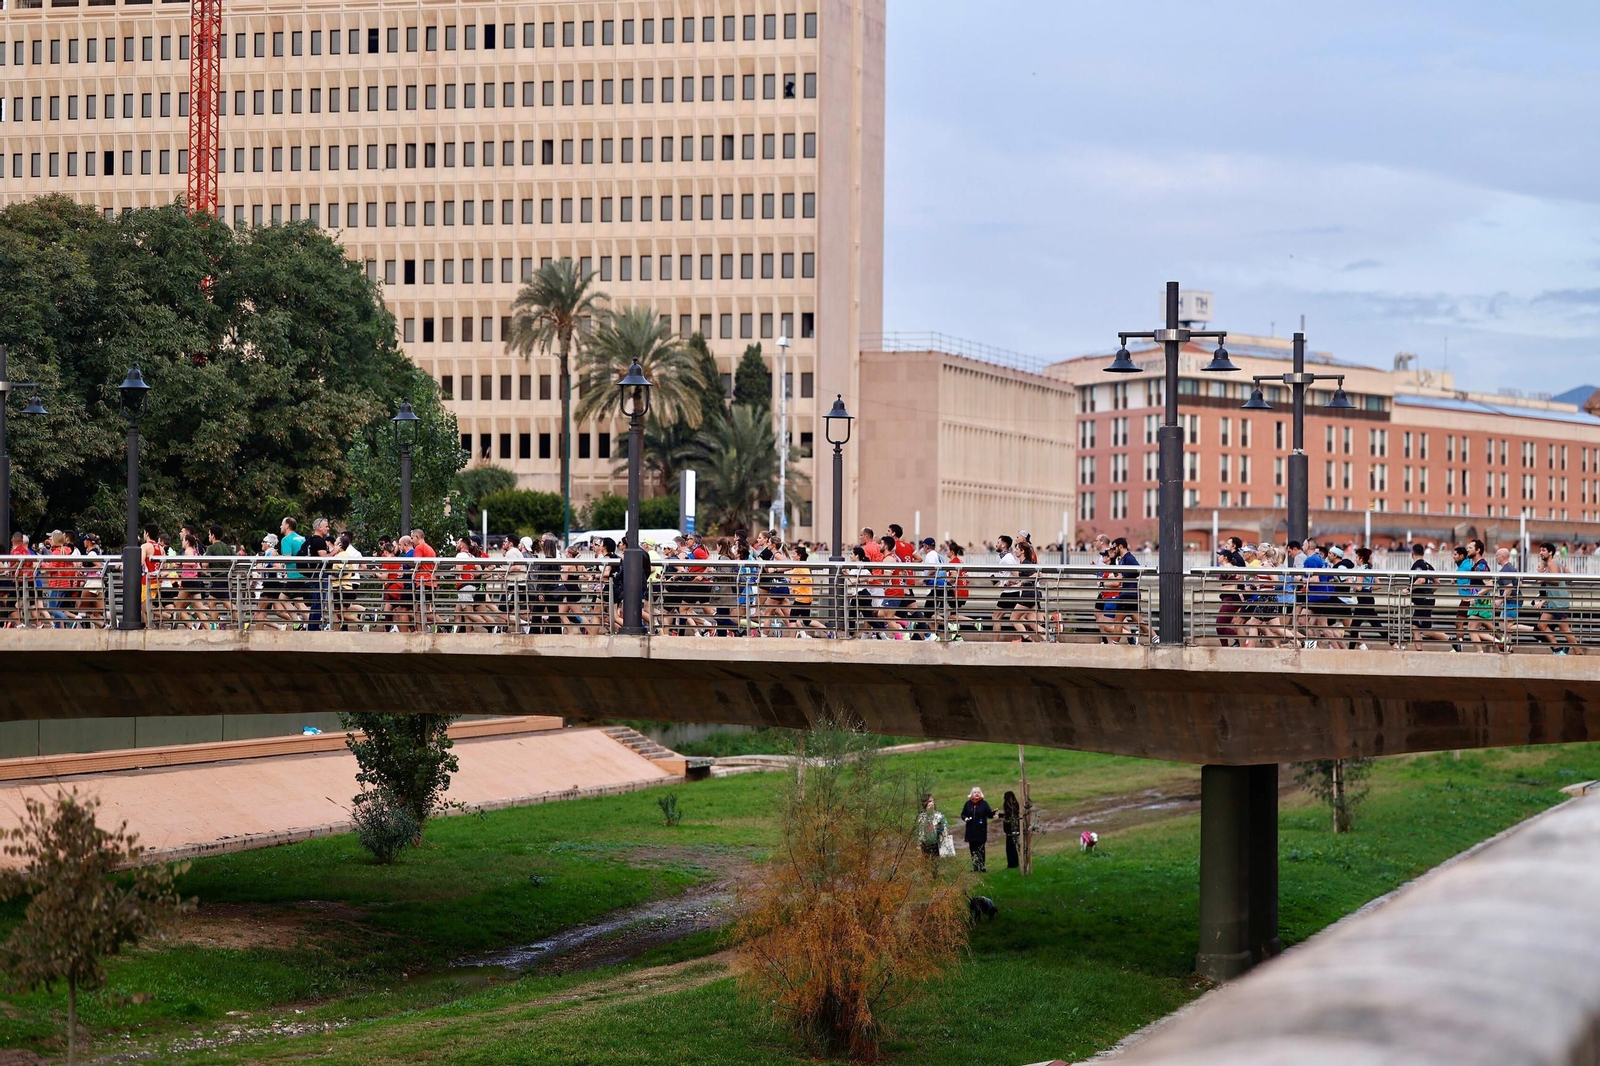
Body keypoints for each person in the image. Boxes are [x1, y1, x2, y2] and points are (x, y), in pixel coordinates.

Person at [960, 786, 994, 873]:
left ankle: (982, 866)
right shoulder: (968, 804)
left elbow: (989, 815)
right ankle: (975, 866)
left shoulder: (984, 803)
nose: (977, 794)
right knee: (972, 849)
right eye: (975, 792)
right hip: (971, 831)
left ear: (981, 794)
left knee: (981, 849)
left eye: (978, 792)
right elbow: (963, 814)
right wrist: (965, 818)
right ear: (972, 794)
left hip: (981, 830)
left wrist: (993, 813)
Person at [917, 794, 951, 863]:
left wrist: (940, 830)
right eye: (929, 801)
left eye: (932, 801)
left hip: (936, 843)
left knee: (935, 861)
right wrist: (919, 844)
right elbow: (920, 831)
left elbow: (945, 827)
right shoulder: (921, 817)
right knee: (926, 861)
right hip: (925, 843)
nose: (931, 803)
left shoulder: (939, 816)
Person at [1001, 790, 1022, 869]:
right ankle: (1012, 863)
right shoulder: (1010, 806)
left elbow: (1011, 817)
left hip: (1013, 829)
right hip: (1009, 830)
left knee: (1012, 847)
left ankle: (1013, 863)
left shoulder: (1013, 806)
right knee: (1010, 848)